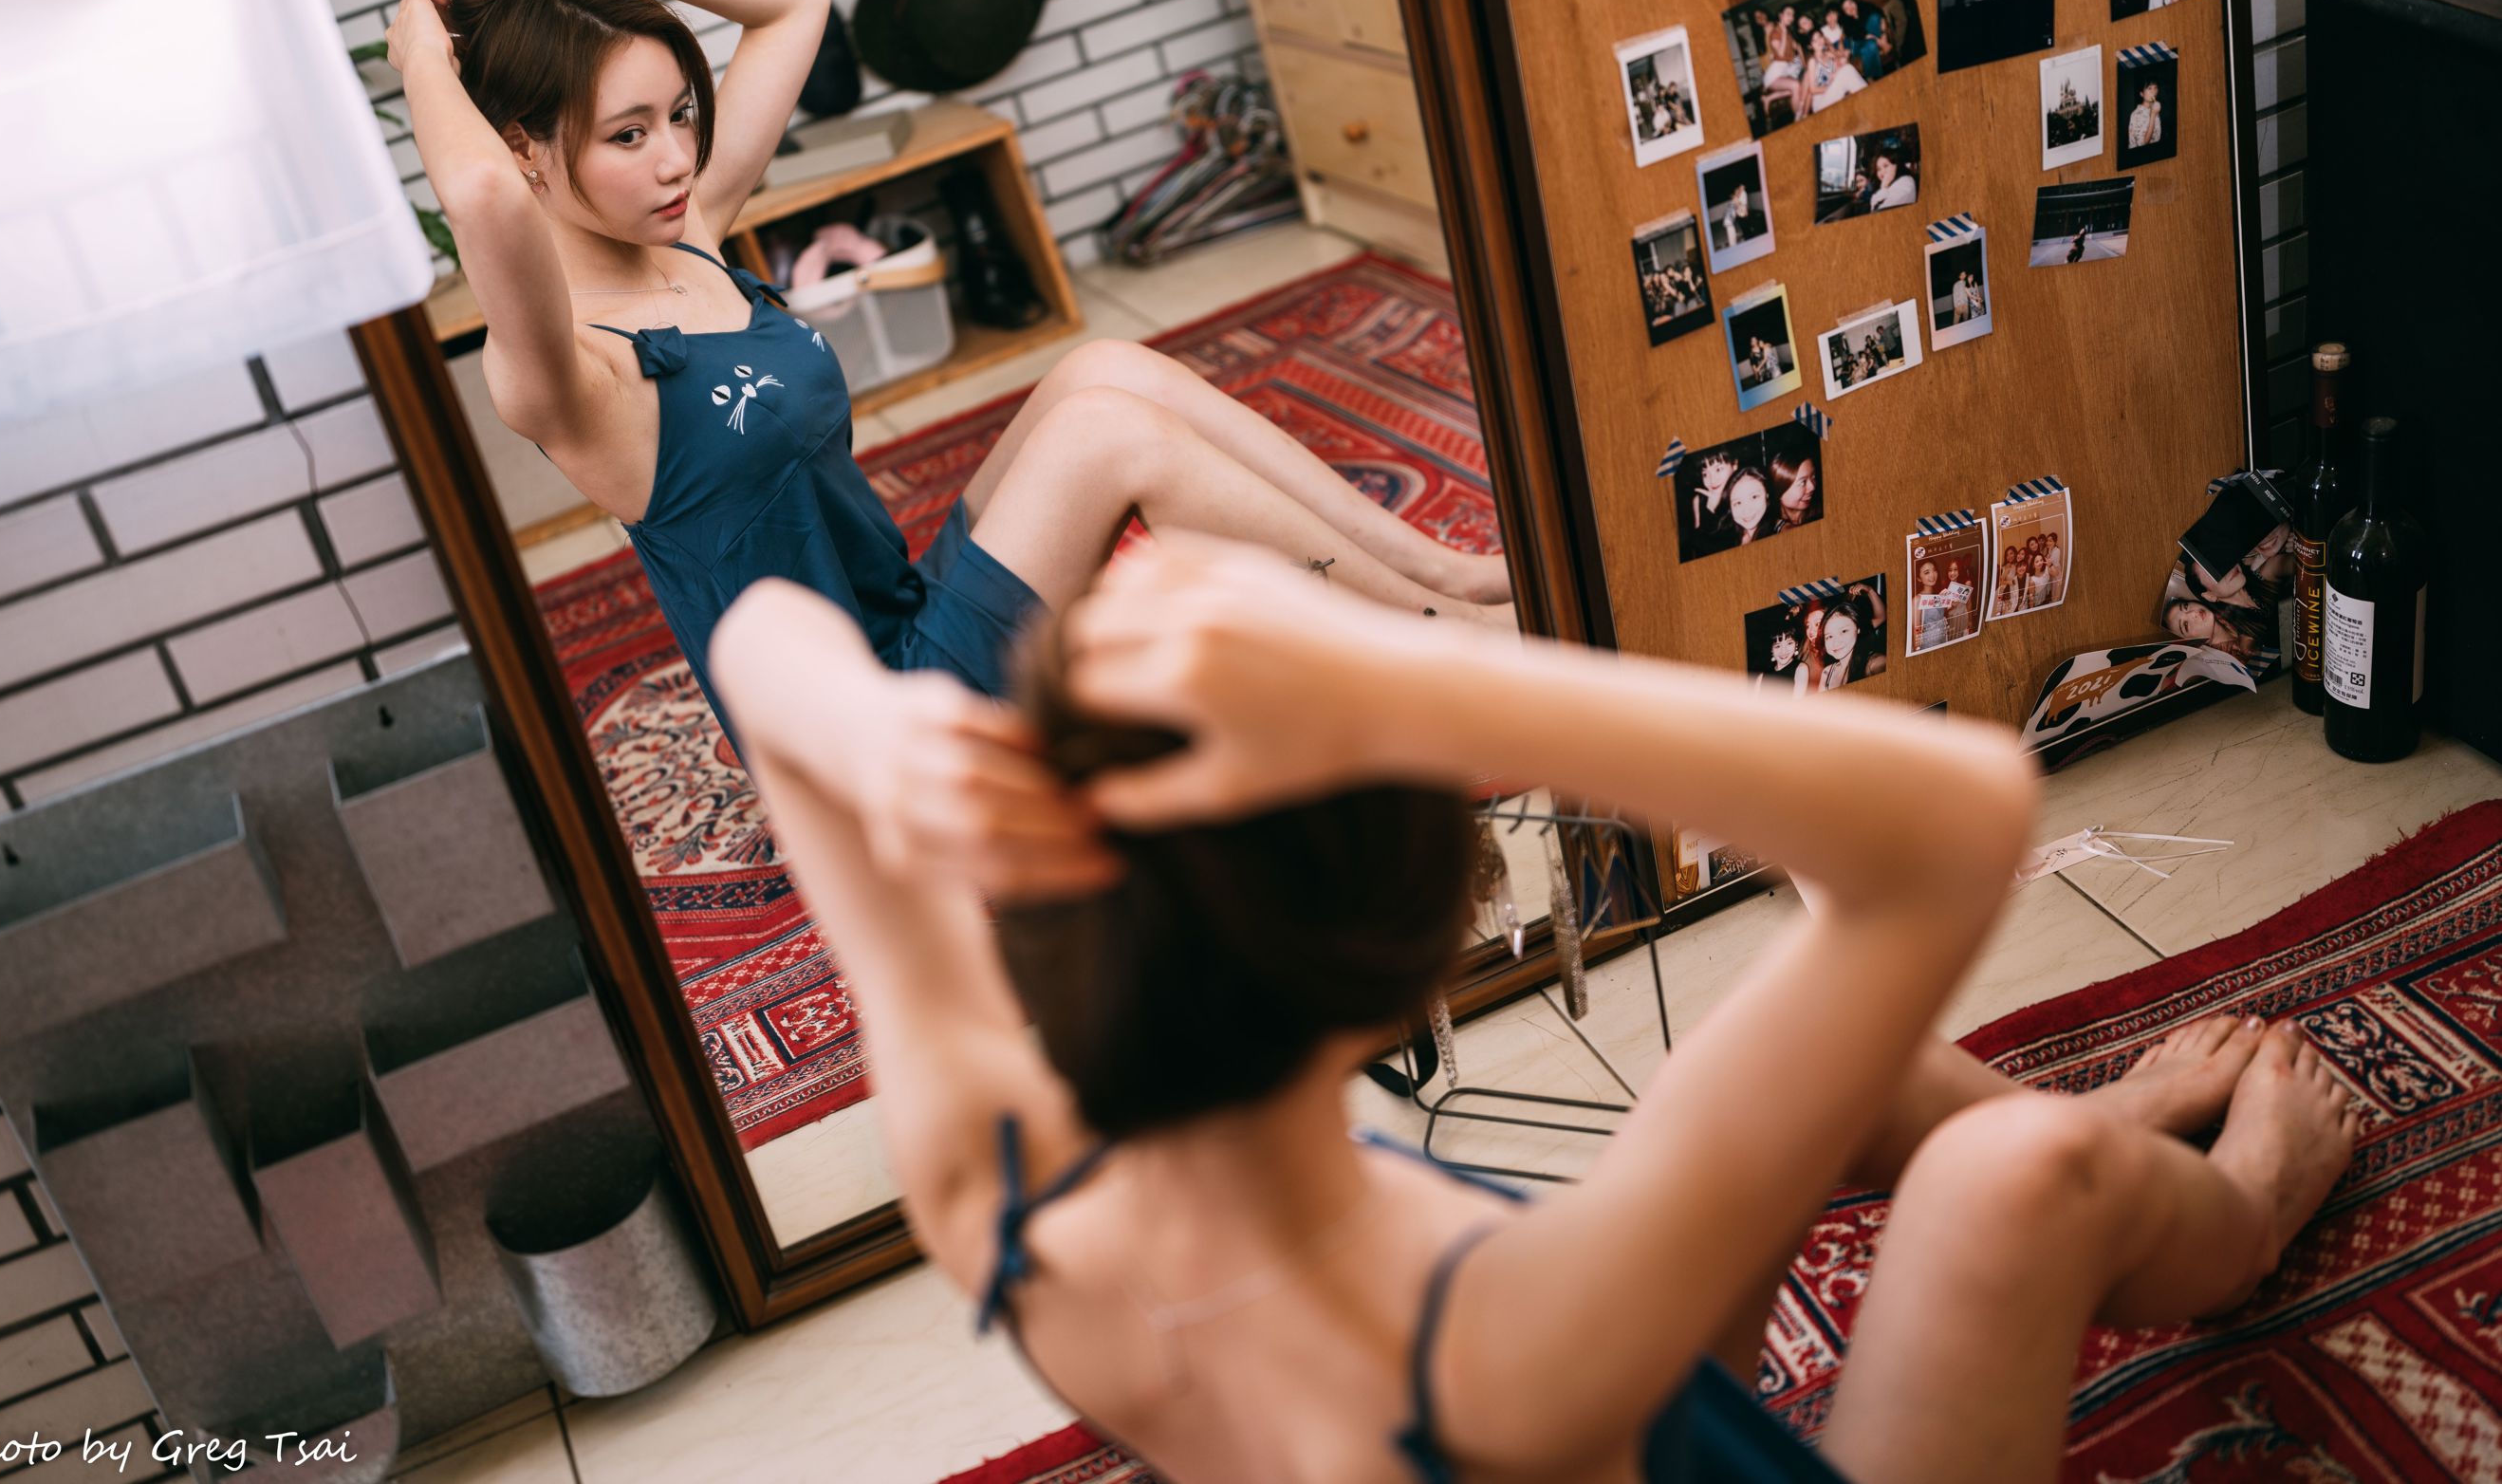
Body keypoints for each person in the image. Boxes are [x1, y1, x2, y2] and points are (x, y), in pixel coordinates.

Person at [704, 533, 2363, 1484]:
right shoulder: (1499, 1346)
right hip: (1546, 1431)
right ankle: (2246, 1204)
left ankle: (2125, 1127)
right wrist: (1404, 677)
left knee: (1828, 1080)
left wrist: (884, 738)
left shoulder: (1003, 1181)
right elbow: (1957, 821)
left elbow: (760, 632)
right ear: (1425, 957)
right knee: (2016, 1180)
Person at [387, 0, 1508, 762]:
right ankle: (1443, 657)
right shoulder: (568, 374)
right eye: (628, 136)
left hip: (910, 623)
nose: (678, 157)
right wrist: (420, 58)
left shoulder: (692, 239)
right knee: (1109, 438)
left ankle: (1437, 576)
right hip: (878, 737)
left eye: (680, 113)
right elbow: (482, 202)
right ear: (525, 147)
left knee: (1103, 370)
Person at [1913, 558, 1952, 652]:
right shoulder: (1917, 600)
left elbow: (1940, 616)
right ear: (1919, 578)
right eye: (1927, 572)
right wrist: (1917, 650)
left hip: (1943, 639)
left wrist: (1949, 604)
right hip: (1928, 645)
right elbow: (1916, 631)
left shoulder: (1939, 595)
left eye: (1934, 570)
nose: (1932, 575)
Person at [2127, 81, 2163, 151]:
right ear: (2142, 94)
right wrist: (2153, 114)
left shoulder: (2154, 107)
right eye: (2149, 88)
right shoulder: (2136, 114)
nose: (2153, 92)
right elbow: (2143, 144)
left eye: (2155, 88)